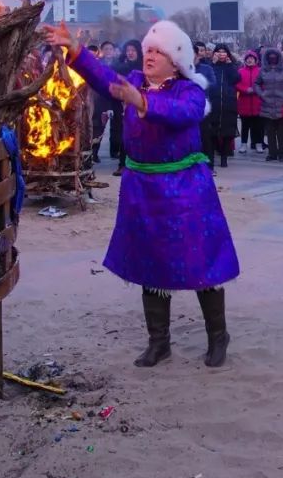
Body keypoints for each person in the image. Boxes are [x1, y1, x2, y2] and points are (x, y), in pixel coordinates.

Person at [44, 20, 239, 368]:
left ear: (175, 60)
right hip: (143, 188)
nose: (148, 56)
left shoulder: (189, 90)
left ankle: (217, 336)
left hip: (186, 189)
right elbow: (102, 76)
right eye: (148, 49)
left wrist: (142, 102)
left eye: (157, 51)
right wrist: (74, 48)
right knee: (152, 261)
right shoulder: (132, 81)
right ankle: (159, 342)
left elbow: (184, 114)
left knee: (200, 260)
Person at [254, 48, 283, 162]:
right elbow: (256, 84)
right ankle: (272, 153)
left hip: (282, 104)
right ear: (267, 58)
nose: (272, 59)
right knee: (270, 131)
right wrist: (261, 94)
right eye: (270, 57)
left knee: (282, 132)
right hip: (266, 103)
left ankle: (282, 153)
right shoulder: (263, 70)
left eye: (275, 56)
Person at [110, 39, 143, 176]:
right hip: (124, 106)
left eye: (133, 50)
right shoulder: (120, 67)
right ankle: (123, 165)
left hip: (141, 105)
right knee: (125, 136)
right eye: (128, 50)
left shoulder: (144, 67)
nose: (130, 53)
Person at [211, 45, 241, 168]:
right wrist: (213, 63)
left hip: (229, 103)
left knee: (228, 132)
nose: (221, 54)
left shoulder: (232, 66)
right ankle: (211, 158)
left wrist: (229, 65)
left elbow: (236, 79)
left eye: (224, 52)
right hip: (214, 103)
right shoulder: (210, 66)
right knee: (212, 132)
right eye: (219, 52)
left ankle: (224, 158)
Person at [193, 41, 219, 173]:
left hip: (203, 106)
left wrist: (200, 83)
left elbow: (213, 84)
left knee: (205, 136)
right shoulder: (182, 69)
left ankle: (209, 166)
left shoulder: (206, 68)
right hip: (186, 107)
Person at [236, 51, 264, 154]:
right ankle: (243, 144)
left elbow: (264, 84)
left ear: (256, 60)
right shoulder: (240, 71)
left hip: (258, 102)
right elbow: (236, 84)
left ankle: (258, 144)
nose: (250, 60)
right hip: (244, 102)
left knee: (258, 126)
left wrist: (256, 89)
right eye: (248, 58)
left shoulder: (261, 71)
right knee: (245, 125)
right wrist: (245, 89)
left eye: (252, 58)